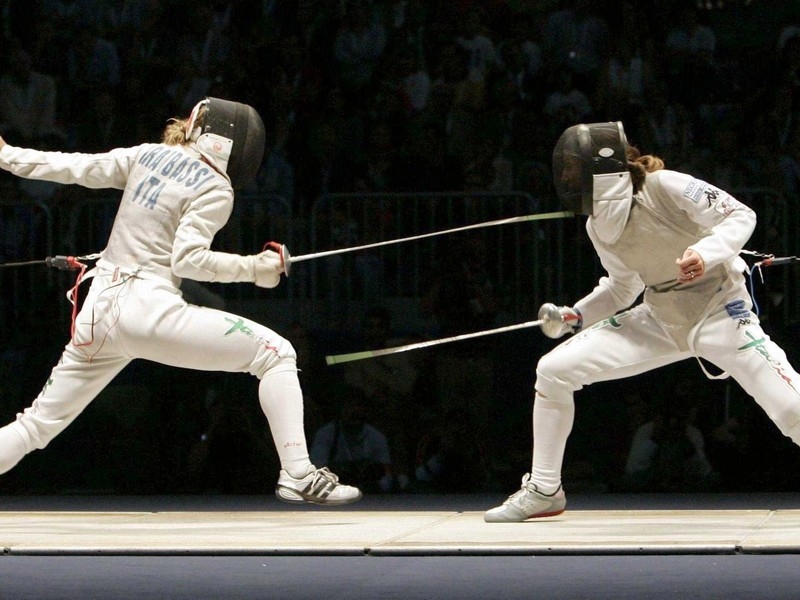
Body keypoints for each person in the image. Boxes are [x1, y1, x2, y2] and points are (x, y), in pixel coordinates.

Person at [0, 96, 362, 506]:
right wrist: (255, 269)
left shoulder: (149, 155)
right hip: (147, 312)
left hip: (97, 313)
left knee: (34, 427)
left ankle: (299, 474)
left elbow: (75, 167)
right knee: (276, 353)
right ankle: (298, 473)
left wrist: (8, 155)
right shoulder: (215, 187)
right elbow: (188, 260)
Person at [485, 120, 800, 522]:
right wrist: (577, 314)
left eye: (572, 167)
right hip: (661, 315)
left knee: (792, 410)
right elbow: (621, 288)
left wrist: (707, 252)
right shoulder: (599, 224)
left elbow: (740, 215)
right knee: (553, 370)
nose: (565, 177)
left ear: (600, 168)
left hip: (720, 309)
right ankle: (545, 489)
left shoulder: (664, 185)